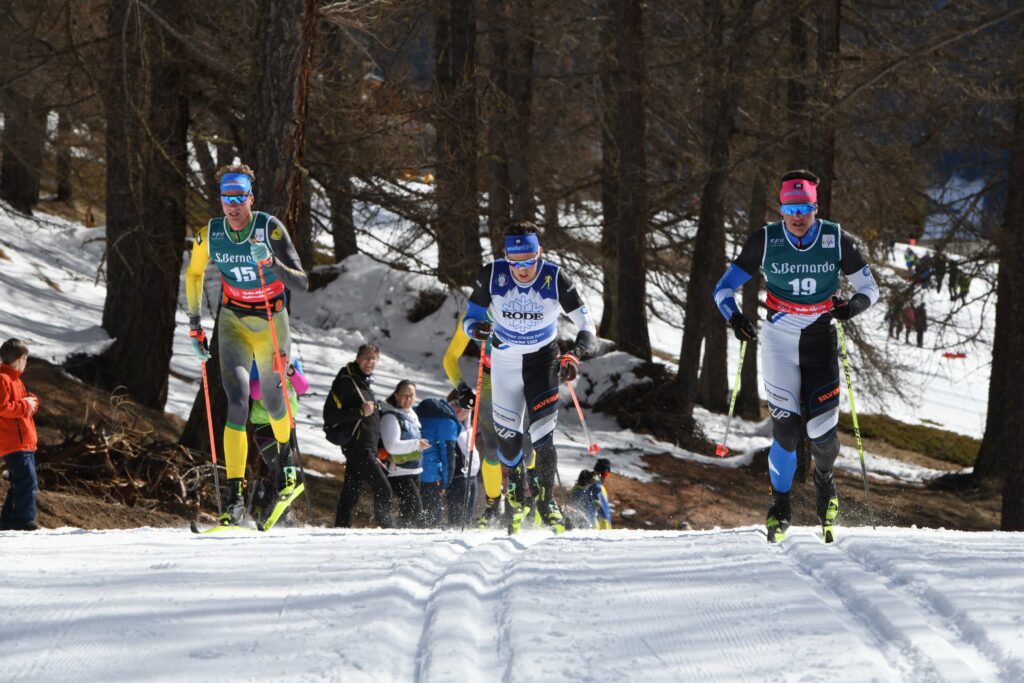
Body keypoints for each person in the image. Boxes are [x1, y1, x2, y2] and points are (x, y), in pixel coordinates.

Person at [713, 170, 879, 543]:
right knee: (786, 431)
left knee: (820, 433)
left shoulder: (836, 239)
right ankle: (781, 505)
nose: (799, 216)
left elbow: (871, 288)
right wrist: (735, 318)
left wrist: (852, 306)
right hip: (778, 343)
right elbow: (723, 287)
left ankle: (824, 481)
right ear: (782, 209)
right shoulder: (766, 240)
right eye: (791, 208)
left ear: (815, 208)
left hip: (820, 343)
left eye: (805, 207)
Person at [184, 164, 309, 525]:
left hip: (272, 319)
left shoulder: (268, 227)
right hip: (233, 320)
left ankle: (286, 469)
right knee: (236, 401)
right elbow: (194, 274)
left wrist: (271, 263)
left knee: (272, 399)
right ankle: (235, 497)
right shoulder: (211, 234)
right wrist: (195, 325)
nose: (233, 205)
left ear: (250, 198)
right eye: (227, 198)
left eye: (239, 197)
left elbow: (301, 283)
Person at [462, 220, 598, 533]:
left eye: (529, 263)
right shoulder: (492, 274)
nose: (522, 271)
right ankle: (517, 493)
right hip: (505, 363)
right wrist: (475, 329)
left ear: (540, 255)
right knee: (507, 444)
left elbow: (588, 328)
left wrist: (574, 354)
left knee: (542, 437)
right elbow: (471, 318)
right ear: (506, 258)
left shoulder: (554, 277)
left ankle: (546, 500)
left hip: (543, 363)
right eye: (515, 264)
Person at [330, 344, 394, 528]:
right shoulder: (347, 382)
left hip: (365, 447)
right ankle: (386, 529)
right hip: (358, 446)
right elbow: (331, 415)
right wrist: (360, 411)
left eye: (374, 358)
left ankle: (340, 529)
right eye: (367, 357)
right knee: (383, 488)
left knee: (352, 492)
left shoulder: (363, 383)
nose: (370, 362)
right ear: (358, 358)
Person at [248, 358, 309, 526]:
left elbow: (303, 387)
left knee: (287, 470)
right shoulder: (258, 361)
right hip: (265, 424)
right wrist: (272, 375)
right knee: (278, 468)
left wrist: (291, 372)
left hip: (287, 423)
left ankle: (280, 512)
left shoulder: (292, 361)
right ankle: (270, 512)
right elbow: (255, 392)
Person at [0, 339, 39, 531]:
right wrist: (26, 405)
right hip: (13, 442)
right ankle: (24, 520)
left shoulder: (16, 380)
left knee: (20, 480)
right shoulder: (3, 379)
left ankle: (7, 520)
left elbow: (25, 404)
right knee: (27, 480)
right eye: (26, 359)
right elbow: (3, 407)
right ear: (21, 358)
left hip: (24, 441)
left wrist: (31, 402)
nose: (26, 363)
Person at [380, 380, 429, 528]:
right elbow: (392, 446)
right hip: (398, 472)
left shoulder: (412, 414)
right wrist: (417, 444)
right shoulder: (390, 417)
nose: (408, 399)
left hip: (414, 470)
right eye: (404, 395)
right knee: (415, 511)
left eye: (411, 395)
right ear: (396, 395)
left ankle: (402, 537)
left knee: (409, 512)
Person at [416, 392, 468, 527]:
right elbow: (448, 456)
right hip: (431, 477)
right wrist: (445, 483)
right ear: (461, 409)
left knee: (414, 517)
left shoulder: (422, 410)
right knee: (432, 521)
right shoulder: (448, 422)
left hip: (411, 471)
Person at [446, 410, 481, 528]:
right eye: (456, 405)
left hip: (473, 474)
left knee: (468, 516)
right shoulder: (451, 425)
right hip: (460, 477)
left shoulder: (468, 425)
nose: (461, 409)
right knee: (457, 517)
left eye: (464, 406)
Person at [568, 458, 613, 530]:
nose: (605, 478)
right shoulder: (597, 486)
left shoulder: (579, 486)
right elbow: (604, 513)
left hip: (582, 525)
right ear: (604, 473)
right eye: (606, 474)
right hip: (595, 527)